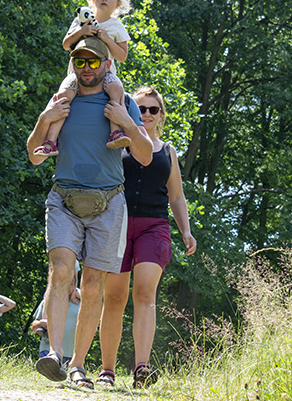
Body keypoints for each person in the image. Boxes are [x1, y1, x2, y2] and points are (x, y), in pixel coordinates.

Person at [26, 35, 153, 388]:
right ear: (74, 65)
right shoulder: (61, 101)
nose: (86, 68)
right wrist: (44, 117)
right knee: (61, 268)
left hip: (108, 203)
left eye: (94, 62)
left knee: (93, 284)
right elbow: (35, 155)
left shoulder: (122, 101)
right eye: (80, 62)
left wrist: (126, 122)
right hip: (64, 199)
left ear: (106, 65)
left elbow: (144, 155)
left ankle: (79, 365)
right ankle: (54, 354)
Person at [97, 86, 197, 389]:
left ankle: (142, 367)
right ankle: (107, 371)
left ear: (161, 115)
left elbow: (177, 196)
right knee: (114, 297)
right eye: (141, 108)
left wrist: (186, 231)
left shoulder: (168, 151)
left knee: (144, 294)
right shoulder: (118, 143)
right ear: (130, 110)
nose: (147, 114)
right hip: (117, 224)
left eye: (153, 109)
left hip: (154, 227)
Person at [33, 0, 133, 158]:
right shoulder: (81, 19)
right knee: (63, 97)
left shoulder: (116, 26)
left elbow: (122, 56)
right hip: (77, 73)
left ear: (118, 4)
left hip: (105, 73)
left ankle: (116, 131)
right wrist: (82, 31)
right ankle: (50, 142)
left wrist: (107, 39)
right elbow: (66, 44)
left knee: (117, 90)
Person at [31, 266, 82, 364]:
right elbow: (34, 326)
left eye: (70, 284)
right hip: (48, 351)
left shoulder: (80, 304)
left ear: (75, 286)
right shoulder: (47, 302)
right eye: (64, 283)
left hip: (71, 355)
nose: (67, 287)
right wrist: (42, 323)